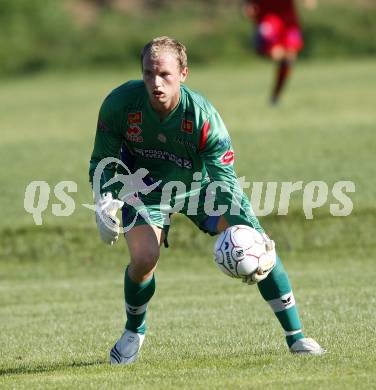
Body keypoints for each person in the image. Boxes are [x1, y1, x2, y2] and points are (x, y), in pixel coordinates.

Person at [89, 36, 324, 365]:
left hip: (200, 186)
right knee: (144, 258)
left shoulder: (202, 117)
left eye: (165, 75)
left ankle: (296, 337)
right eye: (148, 74)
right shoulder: (120, 105)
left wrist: (251, 228)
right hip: (144, 186)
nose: (155, 83)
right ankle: (134, 331)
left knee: (258, 244)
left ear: (183, 73)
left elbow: (225, 181)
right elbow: (102, 159)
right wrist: (104, 201)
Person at [243, 0, 316, 104]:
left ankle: (275, 96)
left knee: (290, 57)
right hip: (268, 16)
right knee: (275, 53)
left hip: (288, 18)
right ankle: (260, 47)